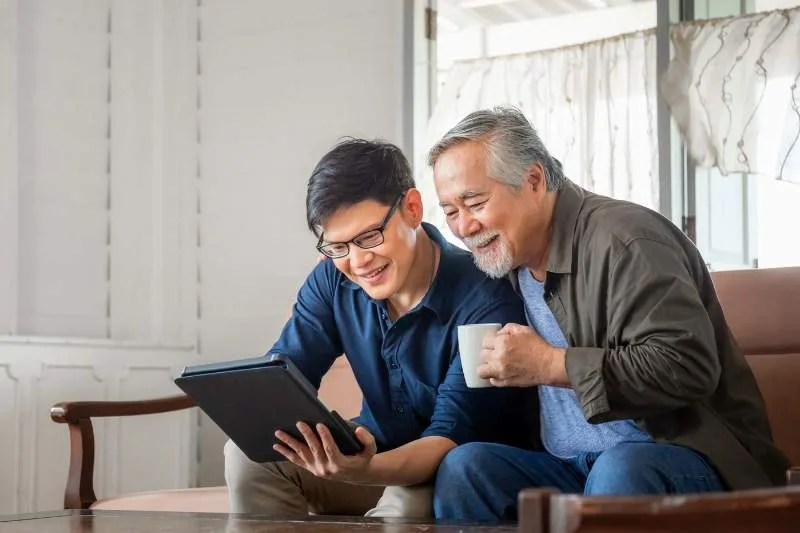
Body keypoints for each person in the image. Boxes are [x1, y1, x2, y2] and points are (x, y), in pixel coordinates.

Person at [427, 106, 789, 522]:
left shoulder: (626, 240)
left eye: (475, 202)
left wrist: (550, 364)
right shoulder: (507, 261)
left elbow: (686, 365)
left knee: (619, 469)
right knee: (466, 470)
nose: (464, 226)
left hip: (687, 461)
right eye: (451, 211)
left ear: (533, 180)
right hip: (572, 468)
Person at [224, 138, 537, 518]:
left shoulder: (486, 298)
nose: (357, 262)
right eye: (337, 247)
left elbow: (448, 438)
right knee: (246, 454)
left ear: (412, 208)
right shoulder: (331, 281)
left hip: (446, 467)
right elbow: (285, 376)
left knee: (405, 504)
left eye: (369, 237)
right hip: (372, 452)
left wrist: (361, 469)